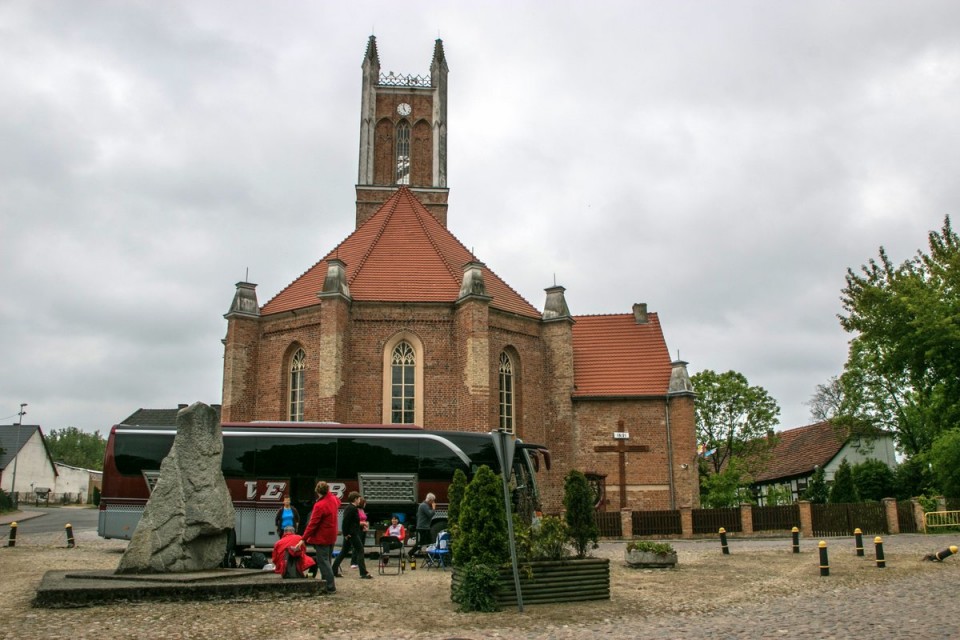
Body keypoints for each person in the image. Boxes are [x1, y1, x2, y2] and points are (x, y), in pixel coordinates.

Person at [302, 480, 341, 593]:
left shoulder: (319, 505)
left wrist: (303, 538)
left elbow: (313, 524)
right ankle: (326, 583)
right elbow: (338, 501)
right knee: (327, 560)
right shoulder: (333, 500)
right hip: (331, 536)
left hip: (322, 537)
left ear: (317, 492)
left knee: (323, 561)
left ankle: (330, 586)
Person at [331, 492, 374, 579]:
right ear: (355, 499)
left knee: (344, 552)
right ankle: (363, 573)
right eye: (358, 498)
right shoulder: (352, 508)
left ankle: (334, 570)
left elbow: (352, 522)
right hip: (352, 534)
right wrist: (346, 534)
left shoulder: (351, 508)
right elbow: (345, 522)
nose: (359, 500)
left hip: (350, 533)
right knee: (360, 550)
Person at [410, 492, 436, 557]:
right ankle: (410, 553)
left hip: (425, 527)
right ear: (430, 500)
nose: (433, 502)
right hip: (423, 528)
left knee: (429, 542)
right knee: (421, 543)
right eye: (433, 501)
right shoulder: (424, 505)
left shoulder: (424, 505)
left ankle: (429, 555)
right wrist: (433, 508)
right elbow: (430, 515)